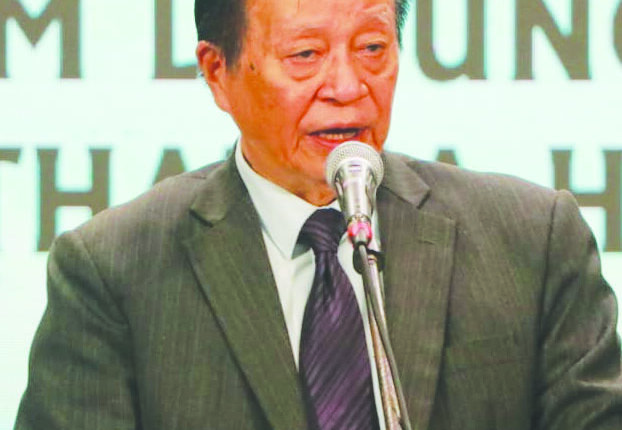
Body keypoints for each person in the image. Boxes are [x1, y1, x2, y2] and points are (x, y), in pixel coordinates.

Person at [14, 0, 622, 428]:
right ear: (217, 72)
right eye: (305, 54)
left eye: (373, 48)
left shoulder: (533, 240)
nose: (348, 86)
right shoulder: (113, 270)